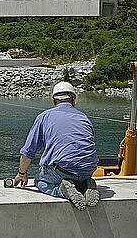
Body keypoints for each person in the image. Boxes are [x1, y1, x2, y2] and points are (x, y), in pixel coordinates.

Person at [13, 81, 99, 210]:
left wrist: (21, 173)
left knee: (40, 182)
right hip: (88, 170)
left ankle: (62, 191)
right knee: (76, 176)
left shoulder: (44, 117)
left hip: (63, 170)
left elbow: (28, 152)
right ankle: (85, 186)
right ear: (73, 100)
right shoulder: (84, 118)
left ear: (54, 101)